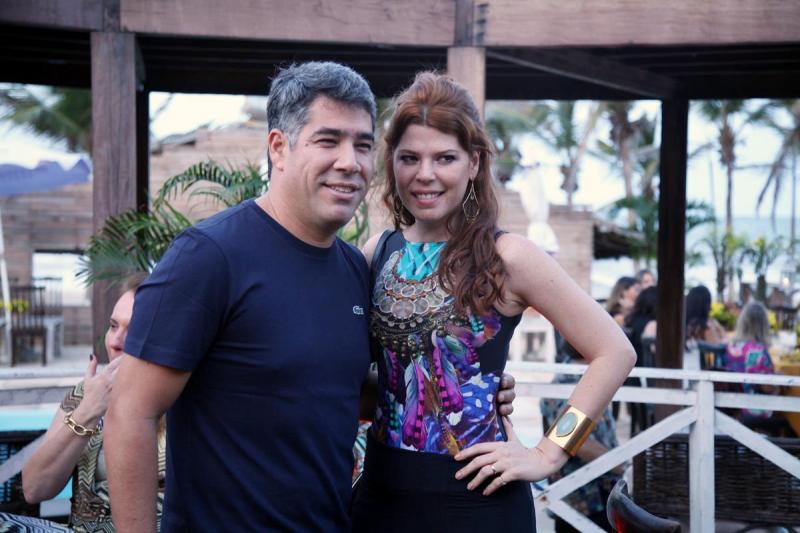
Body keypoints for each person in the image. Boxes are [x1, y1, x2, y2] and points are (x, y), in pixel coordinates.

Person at [104, 62, 516, 533]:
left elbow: (334, 389)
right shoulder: (210, 256)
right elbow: (130, 412)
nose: (349, 162)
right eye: (328, 140)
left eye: (363, 145)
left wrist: (467, 385)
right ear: (279, 148)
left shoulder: (354, 268)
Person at [350, 72, 635, 532]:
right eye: (410, 158)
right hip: (380, 499)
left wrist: (549, 453)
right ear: (392, 163)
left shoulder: (508, 257)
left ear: (474, 163)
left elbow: (615, 351)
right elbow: (365, 378)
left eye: (445, 157)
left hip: (478, 504)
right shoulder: (375, 253)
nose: (425, 174)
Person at [8, 274, 166, 533]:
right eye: (113, 326)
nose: (115, 342)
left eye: (134, 330)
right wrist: (88, 411)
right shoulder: (87, 393)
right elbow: (34, 489)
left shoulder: (187, 401)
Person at [540, 341, 623, 533]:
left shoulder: (578, 378)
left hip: (584, 492)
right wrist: (621, 465)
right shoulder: (572, 383)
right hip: (585, 494)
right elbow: (572, 438)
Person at [722, 302, 783, 427]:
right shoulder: (759, 350)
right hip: (752, 409)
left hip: (730, 407)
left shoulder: (731, 346)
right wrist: (779, 381)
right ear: (763, 325)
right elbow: (767, 387)